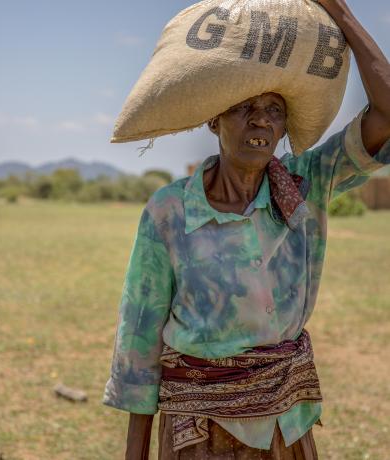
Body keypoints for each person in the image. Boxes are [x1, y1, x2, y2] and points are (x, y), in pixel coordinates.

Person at [104, 1, 390, 458]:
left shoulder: (304, 187)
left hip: (287, 428)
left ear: (283, 126)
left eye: (274, 109)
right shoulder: (171, 211)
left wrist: (342, 14)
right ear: (213, 118)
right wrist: (135, 450)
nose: (260, 120)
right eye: (244, 107)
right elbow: (140, 336)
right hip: (200, 434)